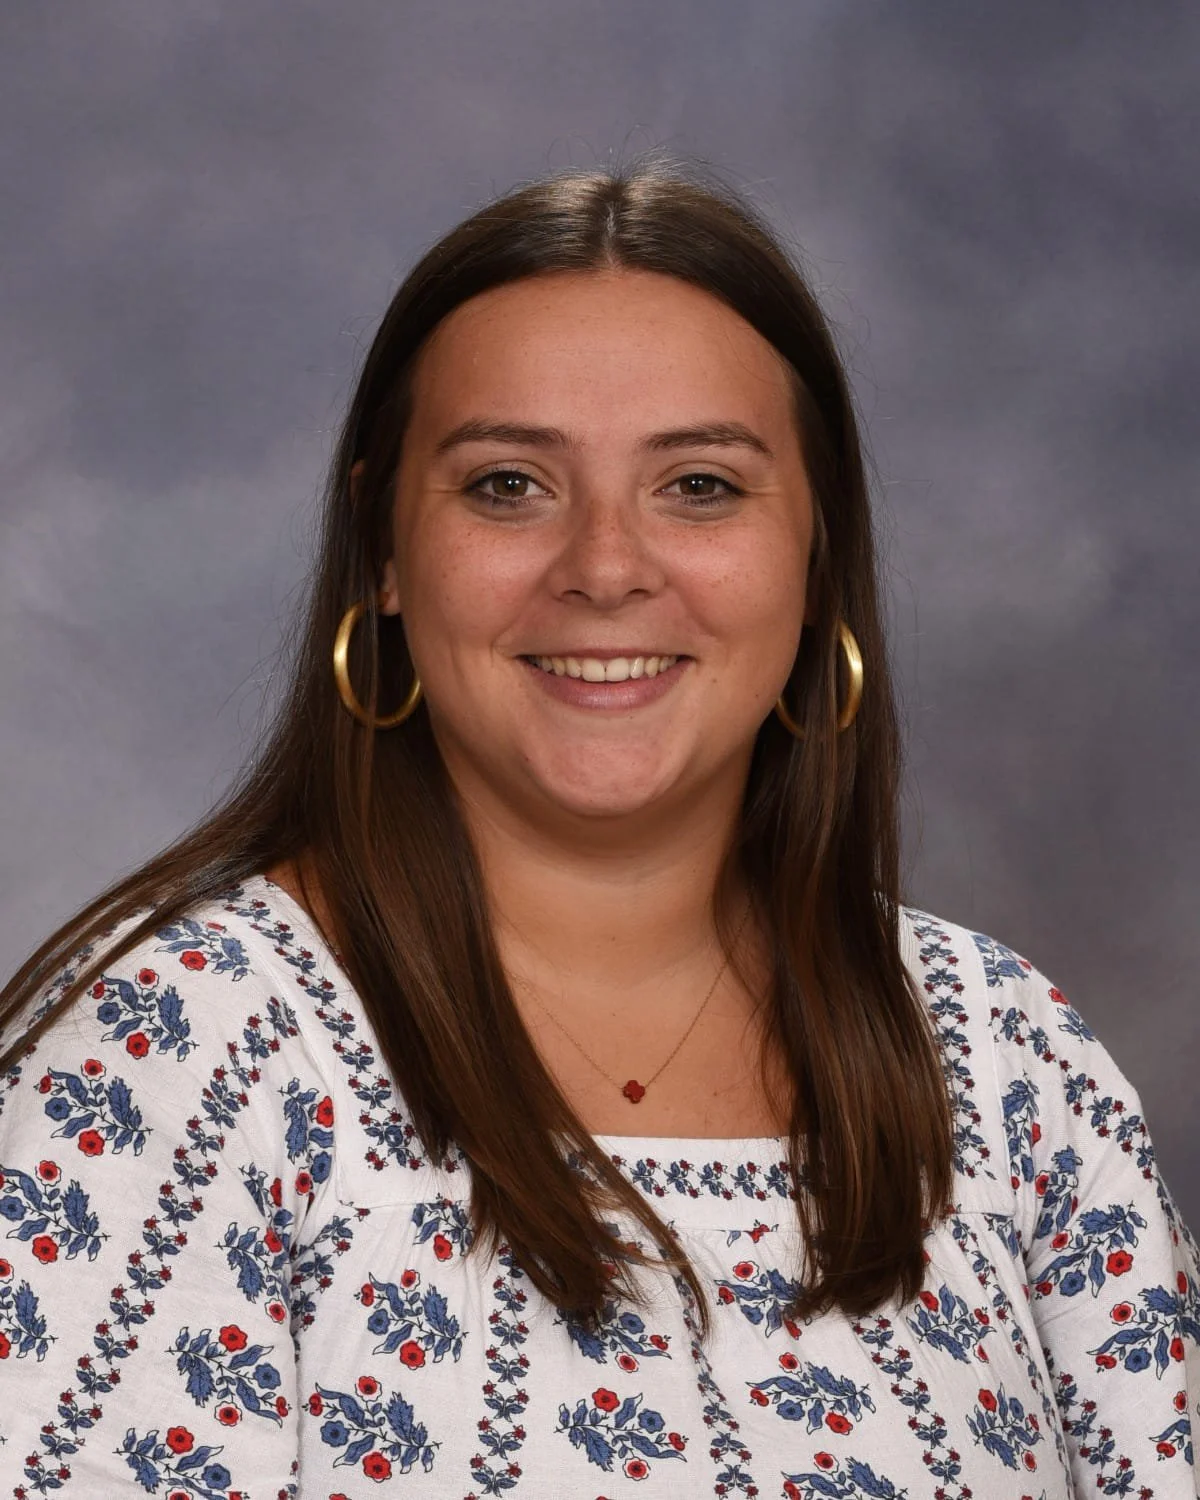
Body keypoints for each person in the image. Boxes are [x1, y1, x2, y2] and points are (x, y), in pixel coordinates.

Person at [0, 158, 1195, 1500]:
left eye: (700, 486)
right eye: (509, 484)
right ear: (384, 550)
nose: (607, 566)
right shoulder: (171, 1054)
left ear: (816, 558)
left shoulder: (1012, 1061)